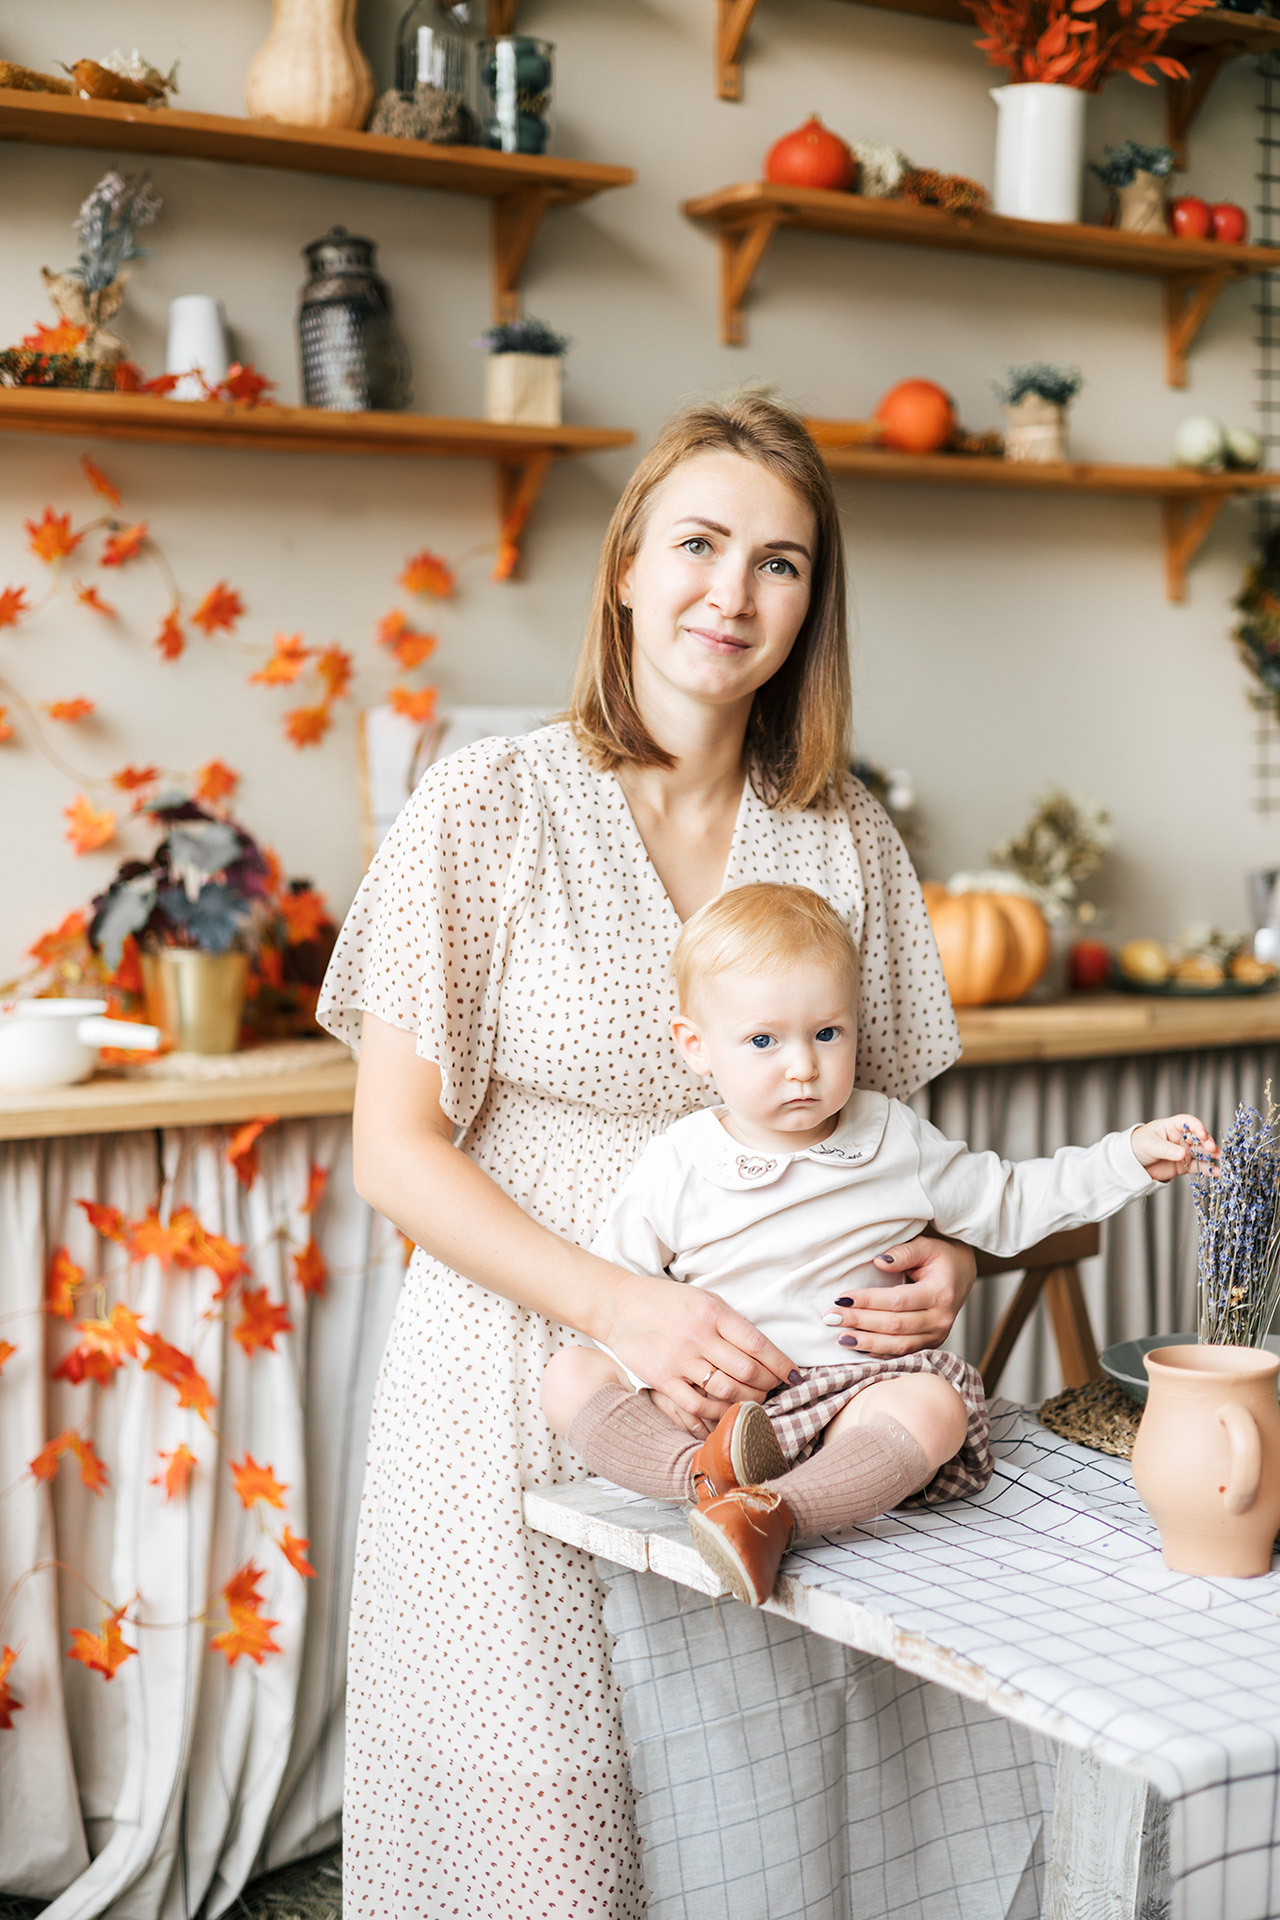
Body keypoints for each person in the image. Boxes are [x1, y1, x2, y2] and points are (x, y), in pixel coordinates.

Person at [318, 395, 986, 1919]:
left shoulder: (846, 838)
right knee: (547, 1850)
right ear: (626, 566)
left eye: (780, 563)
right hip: (516, 1378)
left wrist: (942, 1258)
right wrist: (624, 1307)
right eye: (698, 544)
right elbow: (396, 1155)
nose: (731, 593)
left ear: (812, 605)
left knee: (747, 1831)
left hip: (775, 1405)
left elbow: (903, 1146)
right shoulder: (488, 806)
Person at [542, 882, 1213, 1608]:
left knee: (934, 1406)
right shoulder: (681, 1159)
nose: (803, 1066)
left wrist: (1129, 1156)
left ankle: (778, 1514)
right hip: (720, 1408)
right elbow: (618, 1290)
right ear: (696, 1047)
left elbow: (1012, 1199)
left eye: (827, 1034)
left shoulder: (892, 1136)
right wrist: (658, 1382)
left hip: (852, 1401)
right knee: (569, 1375)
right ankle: (703, 1479)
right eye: (764, 1041)